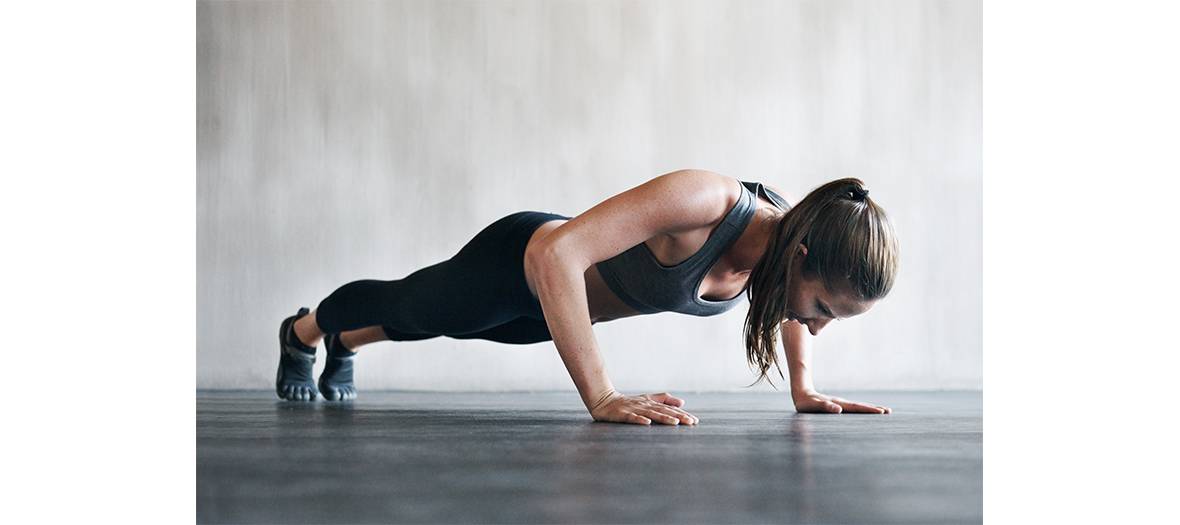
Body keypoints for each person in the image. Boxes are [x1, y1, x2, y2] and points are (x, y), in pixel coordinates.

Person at [275, 169, 900, 425]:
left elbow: (787, 308)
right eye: (825, 309)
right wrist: (601, 395)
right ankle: (304, 333)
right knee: (408, 304)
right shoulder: (709, 203)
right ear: (801, 256)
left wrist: (803, 389)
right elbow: (558, 254)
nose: (815, 325)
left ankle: (346, 344)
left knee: (441, 325)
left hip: (556, 314)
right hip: (519, 265)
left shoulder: (785, 254)